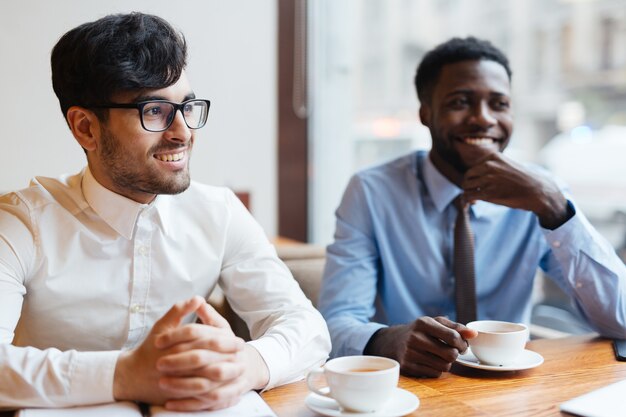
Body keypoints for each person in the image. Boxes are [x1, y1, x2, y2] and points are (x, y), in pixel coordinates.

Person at [0, 12, 330, 411]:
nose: (183, 132)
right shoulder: (21, 223)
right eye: (154, 111)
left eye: (187, 107)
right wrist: (125, 374)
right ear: (86, 128)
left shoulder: (219, 212)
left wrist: (248, 364)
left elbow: (306, 327)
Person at [318, 36, 626, 378]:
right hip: (409, 386)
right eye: (461, 102)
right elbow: (335, 324)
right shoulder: (372, 192)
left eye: (499, 103)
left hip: (512, 386)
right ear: (426, 113)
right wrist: (387, 339)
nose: (483, 119)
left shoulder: (542, 194)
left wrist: (556, 209)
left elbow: (622, 320)